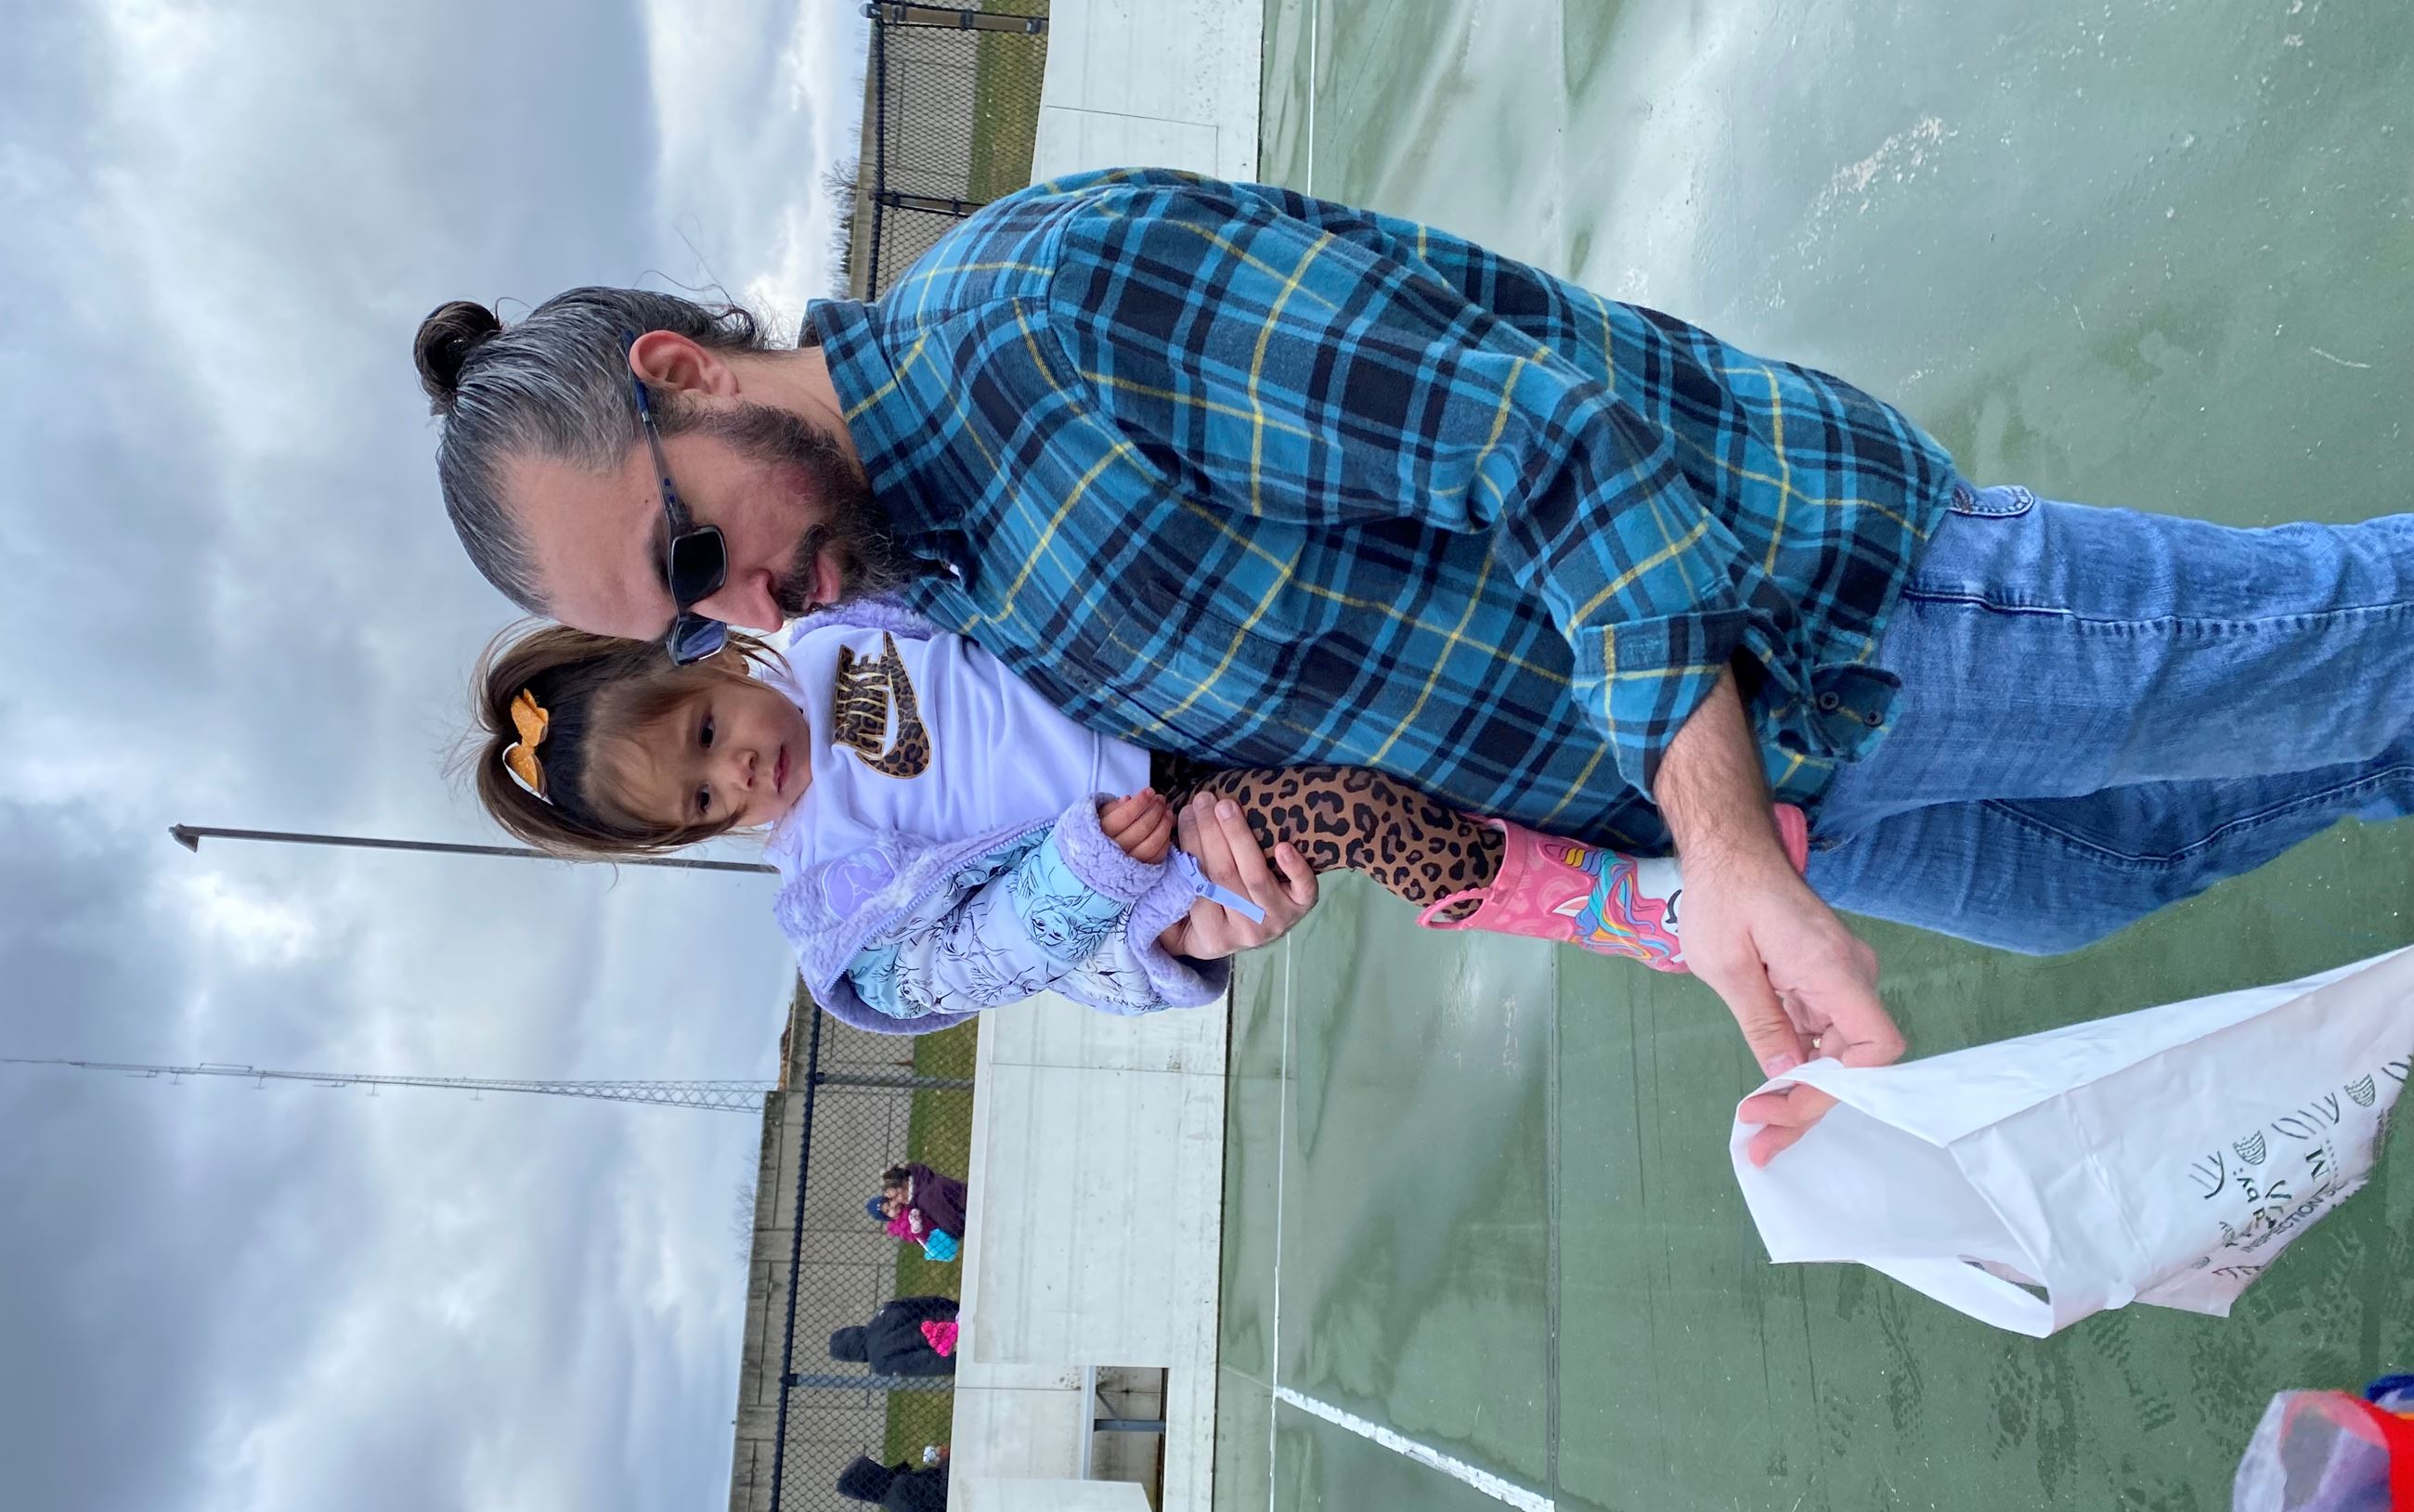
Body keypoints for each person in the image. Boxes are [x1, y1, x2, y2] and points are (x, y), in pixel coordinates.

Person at [414, 168, 2414, 1159]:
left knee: (2354, 650)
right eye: (689, 626)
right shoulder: (917, 569)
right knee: (2124, 873)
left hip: (1844, 622)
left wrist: (1715, 844)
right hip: (1750, 796)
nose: (750, 622)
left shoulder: (1049, 310)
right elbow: (1129, 804)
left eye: (697, 558)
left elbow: (1540, 440)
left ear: (680, 371)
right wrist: (1216, 881)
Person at [461, 617, 1809, 1028]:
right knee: (1369, 813)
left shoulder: (833, 628)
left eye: (707, 733)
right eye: (702, 802)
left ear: (708, 666)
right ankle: (1636, 907)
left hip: (1180, 682)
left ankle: (1699, 757)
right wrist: (1088, 867)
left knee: (1417, 697)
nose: (740, 774)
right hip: (1175, 835)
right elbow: (973, 964)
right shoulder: (830, 885)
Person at [826, 1294, 961, 1377]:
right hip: (956, 1317)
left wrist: (960, 1362)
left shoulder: (880, 1364)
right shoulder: (886, 1312)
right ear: (854, 1330)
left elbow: (924, 1363)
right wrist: (956, 1310)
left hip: (954, 1347)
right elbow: (931, 1301)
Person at [871, 1162, 967, 1261]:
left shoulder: (926, 1199)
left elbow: (954, 1226)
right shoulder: (922, 1180)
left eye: (896, 1196)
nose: (896, 1202)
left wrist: (949, 1234)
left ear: (904, 1183)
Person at [837, 1453, 949, 1512]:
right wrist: (948, 1458)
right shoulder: (900, 1487)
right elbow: (945, 1492)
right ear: (870, 1477)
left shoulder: (892, 1504)